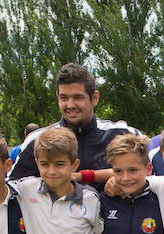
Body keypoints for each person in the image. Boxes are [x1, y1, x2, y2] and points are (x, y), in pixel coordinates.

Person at [9, 63, 141, 190]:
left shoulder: (125, 134)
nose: (70, 105)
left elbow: (150, 178)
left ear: (95, 98)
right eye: (64, 98)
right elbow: (13, 189)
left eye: (78, 97)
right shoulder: (37, 140)